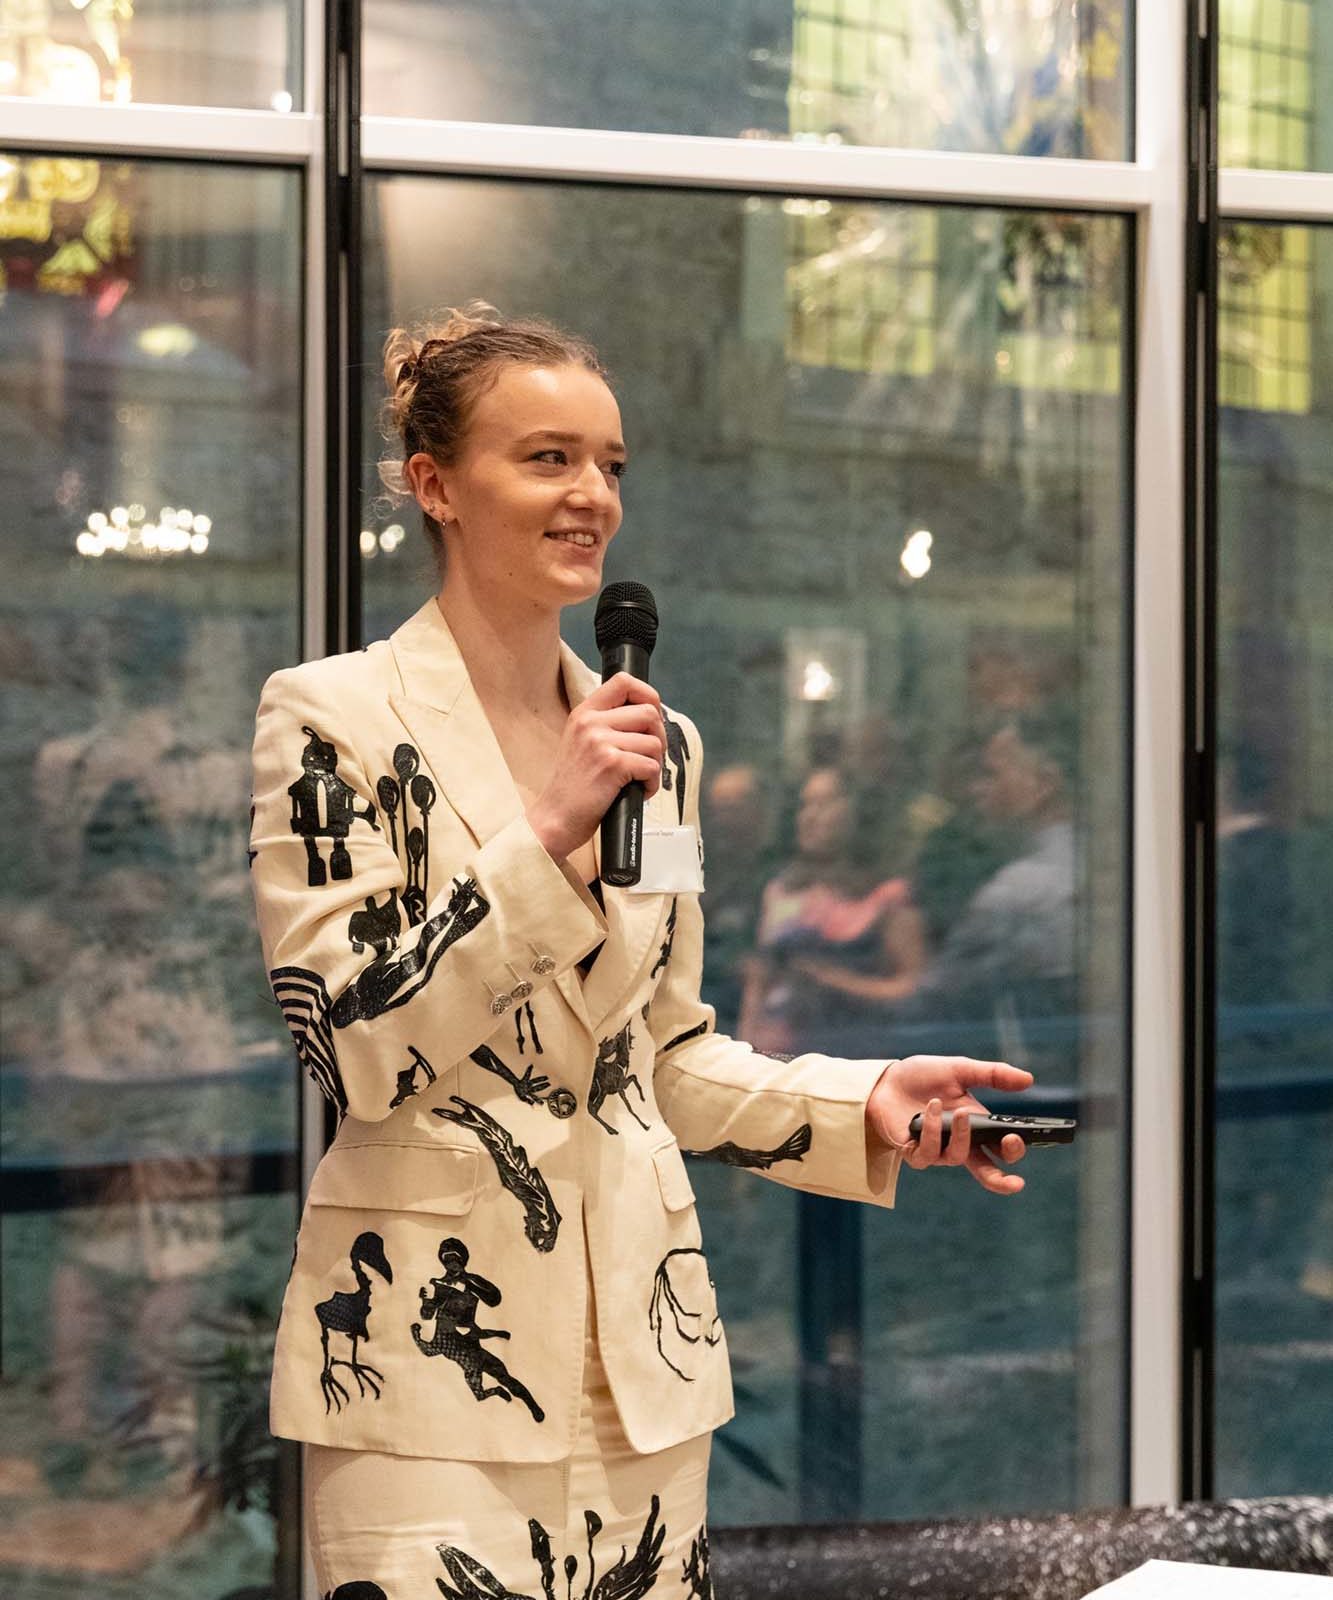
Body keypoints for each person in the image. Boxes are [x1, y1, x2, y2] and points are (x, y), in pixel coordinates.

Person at [248, 303, 1032, 1596]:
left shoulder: (659, 756)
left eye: (611, 465)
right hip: (430, 1378)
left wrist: (859, 1106)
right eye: (548, 458)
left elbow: (656, 1058)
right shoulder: (328, 719)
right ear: (436, 486)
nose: (592, 496)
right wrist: (548, 828)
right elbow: (353, 1042)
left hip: (647, 1386)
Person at [739, 765, 925, 1058]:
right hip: (777, 1063)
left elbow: (913, 987)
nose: (810, 817)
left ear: (857, 814)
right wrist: (744, 1055)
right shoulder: (780, 891)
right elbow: (759, 982)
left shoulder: (888, 896)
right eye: (805, 805)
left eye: (824, 804)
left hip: (855, 1059)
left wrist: (839, 983)